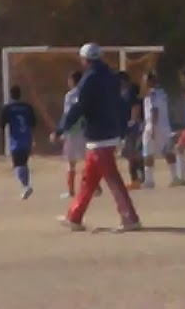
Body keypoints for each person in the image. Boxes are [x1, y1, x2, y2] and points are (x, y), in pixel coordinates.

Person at [54, 44, 141, 231]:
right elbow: (120, 104)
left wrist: (61, 128)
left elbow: (79, 106)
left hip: (98, 135)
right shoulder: (111, 77)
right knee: (88, 180)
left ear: (85, 59)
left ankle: (130, 218)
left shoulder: (89, 79)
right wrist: (122, 127)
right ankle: (74, 217)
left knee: (112, 179)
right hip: (108, 133)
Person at [140, 71, 177, 187]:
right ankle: (175, 177)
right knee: (166, 152)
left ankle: (149, 180)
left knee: (148, 153)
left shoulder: (151, 94)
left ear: (150, 82)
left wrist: (152, 128)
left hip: (153, 127)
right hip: (165, 127)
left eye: (145, 81)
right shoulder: (163, 93)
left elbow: (154, 111)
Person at [0, 85, 36, 199]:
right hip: (27, 138)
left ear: (10, 95)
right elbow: (33, 123)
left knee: (18, 164)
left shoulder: (8, 108)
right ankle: (26, 186)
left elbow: (1, 124)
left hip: (16, 140)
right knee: (24, 163)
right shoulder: (27, 107)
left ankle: (26, 186)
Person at [59, 70, 86, 199]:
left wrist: (62, 130)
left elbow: (68, 115)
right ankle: (95, 187)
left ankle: (70, 191)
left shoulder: (69, 96)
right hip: (84, 131)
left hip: (71, 132)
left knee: (70, 162)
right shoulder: (86, 94)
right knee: (88, 160)